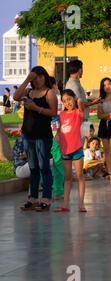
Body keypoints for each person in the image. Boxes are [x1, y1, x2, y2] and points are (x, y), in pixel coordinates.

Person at [14, 66, 58, 212]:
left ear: (45, 77)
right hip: (28, 135)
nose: (38, 80)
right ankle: (32, 199)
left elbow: (53, 112)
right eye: (35, 77)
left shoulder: (49, 93)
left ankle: (46, 199)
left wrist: (35, 108)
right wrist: (27, 79)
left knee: (43, 167)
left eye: (40, 76)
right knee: (33, 168)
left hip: (43, 136)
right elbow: (15, 97)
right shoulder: (29, 92)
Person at [53, 89, 86, 213]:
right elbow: (58, 127)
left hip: (76, 148)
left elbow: (81, 104)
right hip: (65, 150)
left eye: (69, 99)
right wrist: (56, 134)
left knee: (79, 176)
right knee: (67, 178)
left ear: (74, 98)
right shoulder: (61, 115)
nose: (68, 103)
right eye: (65, 101)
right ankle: (65, 205)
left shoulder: (78, 113)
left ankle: (81, 204)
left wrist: (79, 100)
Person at [49, 76, 65, 200]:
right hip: (56, 133)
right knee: (58, 161)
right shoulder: (58, 99)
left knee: (42, 161)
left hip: (47, 133)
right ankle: (59, 190)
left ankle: (32, 190)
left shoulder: (40, 98)